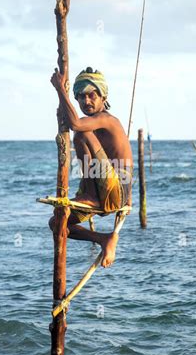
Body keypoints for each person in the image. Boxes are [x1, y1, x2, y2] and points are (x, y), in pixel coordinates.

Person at [49, 66, 133, 267]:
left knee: (81, 133)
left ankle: (90, 196)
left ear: (103, 97)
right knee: (57, 223)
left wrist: (60, 89)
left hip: (114, 191)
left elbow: (76, 125)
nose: (86, 101)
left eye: (92, 95)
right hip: (105, 195)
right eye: (81, 97)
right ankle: (103, 239)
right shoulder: (92, 123)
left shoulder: (107, 119)